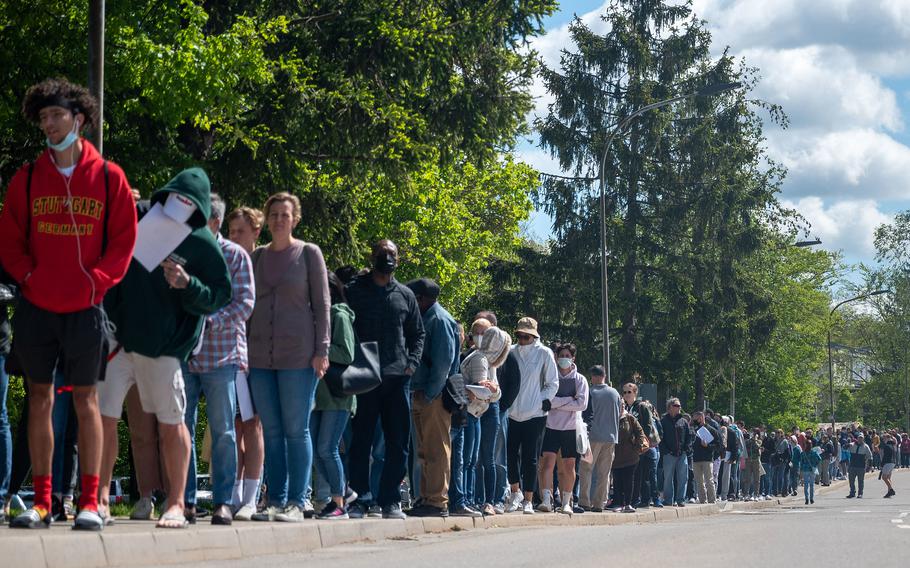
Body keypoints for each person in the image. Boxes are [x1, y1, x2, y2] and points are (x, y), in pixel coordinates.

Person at [0, 79, 138, 530]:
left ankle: (90, 502)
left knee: (87, 401)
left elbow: (123, 241)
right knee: (38, 399)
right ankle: (42, 502)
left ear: (78, 119)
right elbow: (10, 240)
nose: (49, 123)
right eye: (43, 117)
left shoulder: (109, 177)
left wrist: (97, 283)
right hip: (37, 306)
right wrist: (28, 277)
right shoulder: (27, 178)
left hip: (86, 307)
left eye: (56, 115)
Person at [98, 167, 231, 529]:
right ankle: (100, 499)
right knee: (104, 417)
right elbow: (109, 267)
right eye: (175, 198)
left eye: (188, 203)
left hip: (164, 348)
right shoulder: (140, 218)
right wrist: (111, 320)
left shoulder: (202, 242)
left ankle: (175, 503)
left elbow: (221, 294)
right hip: (119, 340)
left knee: (173, 424)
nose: (179, 206)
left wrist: (188, 284)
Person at [245, 192, 330, 522]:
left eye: (285, 214)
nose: (279, 219)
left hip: (299, 357)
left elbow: (322, 305)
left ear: (295, 219)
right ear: (266, 220)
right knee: (272, 430)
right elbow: (248, 305)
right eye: (274, 214)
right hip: (260, 358)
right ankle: (276, 501)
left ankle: (297, 501)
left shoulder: (309, 254)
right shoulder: (257, 257)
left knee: (297, 430)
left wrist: (322, 350)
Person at [182, 193, 255, 525]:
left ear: (214, 222)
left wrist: (207, 320)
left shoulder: (235, 255)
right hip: (184, 355)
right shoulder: (182, 251)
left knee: (224, 430)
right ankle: (184, 501)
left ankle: (223, 501)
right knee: (180, 428)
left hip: (222, 356)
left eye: (197, 218)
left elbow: (244, 304)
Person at [346, 240, 425, 520]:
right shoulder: (354, 291)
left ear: (398, 260)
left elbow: (418, 334)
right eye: (382, 253)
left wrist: (411, 364)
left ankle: (390, 500)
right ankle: (359, 500)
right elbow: (341, 325)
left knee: (398, 443)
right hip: (364, 377)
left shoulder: (405, 295)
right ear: (373, 256)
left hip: (396, 379)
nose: (387, 257)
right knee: (360, 442)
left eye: (392, 253)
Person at [406, 278, 459, 518]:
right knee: (424, 450)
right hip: (421, 393)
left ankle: (437, 501)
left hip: (433, 396)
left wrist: (428, 394)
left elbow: (443, 364)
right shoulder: (426, 318)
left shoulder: (438, 320)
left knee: (437, 448)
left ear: (423, 299)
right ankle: (426, 498)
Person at [226, 206, 266, 517]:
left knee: (253, 427)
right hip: (231, 354)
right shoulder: (225, 262)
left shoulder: (264, 264)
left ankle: (251, 498)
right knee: (233, 426)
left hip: (259, 357)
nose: (232, 237)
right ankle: (234, 494)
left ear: (255, 231)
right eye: (230, 231)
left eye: (239, 231)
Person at [311, 273, 356, 520]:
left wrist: (317, 346)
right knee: (317, 452)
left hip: (337, 396)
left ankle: (340, 502)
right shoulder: (316, 316)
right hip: (318, 395)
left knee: (327, 449)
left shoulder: (339, 314)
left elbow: (347, 353)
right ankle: (343, 493)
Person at [504, 317, 558, 514]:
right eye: (519, 335)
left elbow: (552, 381)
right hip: (512, 412)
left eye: (526, 336)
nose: (522, 339)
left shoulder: (544, 353)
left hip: (535, 413)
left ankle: (528, 498)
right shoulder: (511, 352)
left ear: (534, 335)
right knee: (510, 454)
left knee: (530, 457)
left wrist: (543, 399)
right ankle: (515, 491)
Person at [537, 344, 588, 515]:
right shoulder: (551, 378)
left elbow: (581, 404)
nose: (564, 358)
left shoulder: (580, 379)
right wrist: (568, 401)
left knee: (569, 466)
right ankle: (546, 498)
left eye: (567, 355)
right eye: (561, 355)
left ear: (573, 358)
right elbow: (546, 401)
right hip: (551, 427)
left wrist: (556, 403)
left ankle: (567, 501)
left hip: (571, 428)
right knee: (547, 464)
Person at [578, 370, 621, 512]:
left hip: (593, 437)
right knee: (605, 473)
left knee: (586, 469)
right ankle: (600, 503)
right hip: (611, 438)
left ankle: (584, 501)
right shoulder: (615, 393)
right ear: (605, 376)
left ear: (593, 377)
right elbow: (620, 413)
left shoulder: (590, 392)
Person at [625, 382, 661, 508]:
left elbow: (648, 426)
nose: (626, 395)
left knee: (647, 475)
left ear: (635, 393)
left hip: (645, 447)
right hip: (632, 448)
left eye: (629, 392)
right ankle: (636, 499)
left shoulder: (642, 406)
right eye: (624, 392)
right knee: (636, 474)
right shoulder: (625, 408)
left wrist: (640, 440)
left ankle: (650, 499)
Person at [610, 406, 649, 512]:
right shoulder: (611, 417)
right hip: (615, 457)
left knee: (628, 481)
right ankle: (618, 503)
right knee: (617, 482)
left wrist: (637, 448)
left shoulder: (630, 418)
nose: (621, 406)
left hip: (630, 457)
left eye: (622, 404)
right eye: (618, 404)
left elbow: (640, 433)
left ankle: (628, 504)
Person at [659, 398, 693, 507]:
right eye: (676, 405)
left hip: (682, 454)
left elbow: (689, 436)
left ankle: (680, 499)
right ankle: (668, 500)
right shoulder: (663, 421)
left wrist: (687, 449)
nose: (679, 408)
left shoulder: (683, 421)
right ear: (670, 407)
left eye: (679, 406)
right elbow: (660, 437)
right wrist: (666, 451)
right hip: (668, 454)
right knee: (668, 478)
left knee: (683, 477)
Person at [690, 411, 720, 504]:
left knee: (709, 480)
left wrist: (707, 446)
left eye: (696, 419)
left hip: (707, 459)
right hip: (695, 459)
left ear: (702, 418)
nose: (694, 421)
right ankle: (703, 501)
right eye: (693, 419)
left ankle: (712, 500)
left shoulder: (712, 430)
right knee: (699, 481)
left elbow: (718, 446)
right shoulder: (693, 430)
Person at [846, 433, 872, 499]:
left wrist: (869, 466)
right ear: (857, 438)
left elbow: (870, 456)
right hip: (852, 465)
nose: (860, 439)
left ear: (863, 439)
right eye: (859, 438)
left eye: (861, 438)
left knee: (860, 481)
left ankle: (860, 493)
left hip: (861, 466)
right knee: (851, 480)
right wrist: (847, 445)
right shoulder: (852, 445)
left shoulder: (866, 446)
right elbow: (845, 448)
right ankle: (852, 492)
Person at [880, 433, 897, 498]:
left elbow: (885, 456)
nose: (883, 439)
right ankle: (889, 492)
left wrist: (882, 464)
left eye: (884, 438)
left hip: (888, 462)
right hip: (893, 462)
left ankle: (891, 489)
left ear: (887, 438)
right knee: (888, 478)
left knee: (884, 477)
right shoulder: (893, 445)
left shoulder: (887, 446)